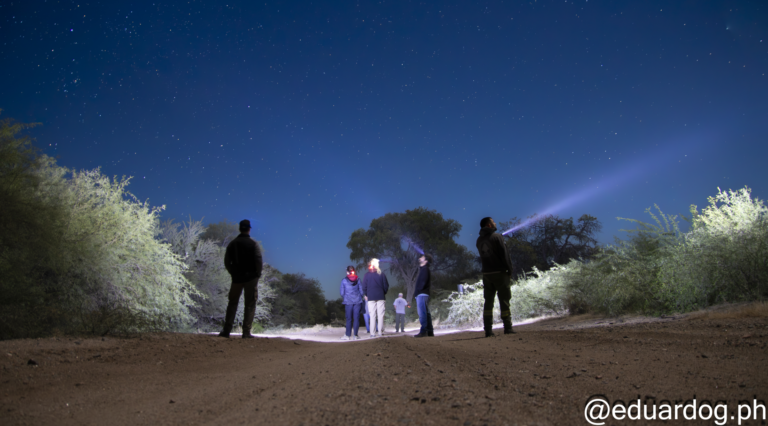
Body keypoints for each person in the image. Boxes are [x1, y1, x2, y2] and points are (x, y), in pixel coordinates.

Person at [219, 219, 263, 339]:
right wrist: (258, 274)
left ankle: (226, 330)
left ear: (240, 229)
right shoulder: (253, 244)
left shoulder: (233, 243)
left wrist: (232, 272)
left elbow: (227, 261)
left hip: (237, 278)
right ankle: (246, 332)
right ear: (249, 229)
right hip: (251, 278)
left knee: (232, 303)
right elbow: (258, 260)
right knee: (250, 304)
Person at [476, 217, 515, 337]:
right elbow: (505, 255)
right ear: (489, 225)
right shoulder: (497, 237)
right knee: (504, 300)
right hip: (500, 273)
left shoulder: (479, 240)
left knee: (488, 302)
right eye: (493, 222)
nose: (495, 223)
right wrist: (510, 269)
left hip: (487, 274)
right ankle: (507, 327)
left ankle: (488, 330)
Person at [362, 258, 389, 338]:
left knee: (372, 315)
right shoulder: (381, 274)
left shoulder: (366, 275)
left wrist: (367, 294)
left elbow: (364, 287)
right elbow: (386, 286)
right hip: (380, 296)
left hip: (371, 297)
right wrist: (383, 292)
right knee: (380, 315)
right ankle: (380, 332)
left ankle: (372, 333)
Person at [413, 254, 435, 338]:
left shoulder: (425, 269)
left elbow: (423, 282)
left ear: (425, 261)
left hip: (422, 294)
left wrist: (418, 291)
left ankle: (423, 331)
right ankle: (430, 331)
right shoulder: (424, 269)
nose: (420, 258)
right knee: (426, 313)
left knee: (422, 313)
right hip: (423, 294)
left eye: (422, 257)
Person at [339, 266, 364, 340]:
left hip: (348, 302)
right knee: (356, 318)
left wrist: (346, 297)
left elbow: (342, 293)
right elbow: (361, 291)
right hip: (357, 301)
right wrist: (359, 297)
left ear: (347, 272)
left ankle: (347, 335)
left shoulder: (344, 280)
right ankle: (355, 335)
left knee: (349, 319)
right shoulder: (358, 279)